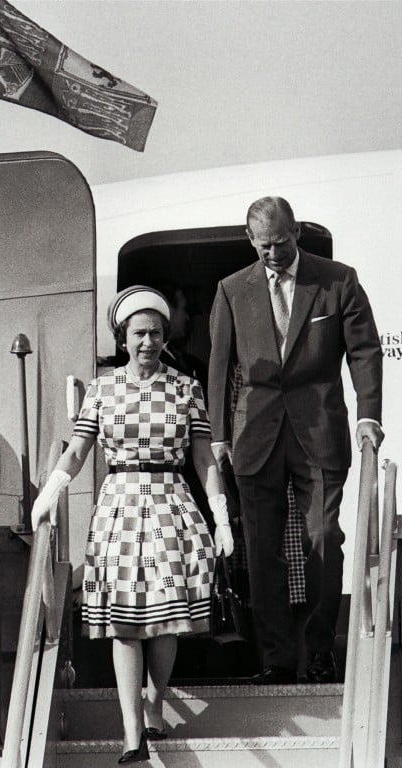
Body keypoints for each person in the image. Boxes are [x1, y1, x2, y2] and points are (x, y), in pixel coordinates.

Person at [32, 286, 234, 763]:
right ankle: (131, 734)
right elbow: (78, 450)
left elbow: (204, 457)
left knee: (164, 624)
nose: (149, 342)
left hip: (170, 504)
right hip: (119, 507)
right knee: (124, 626)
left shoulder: (185, 388)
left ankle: (155, 702)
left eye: (156, 333)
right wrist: (50, 492)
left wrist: (221, 517)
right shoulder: (101, 389)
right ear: (123, 338)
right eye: (140, 333)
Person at [208, 196, 384, 685]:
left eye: (281, 242)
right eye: (263, 245)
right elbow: (220, 365)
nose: (273, 253)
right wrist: (219, 436)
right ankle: (277, 659)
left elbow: (365, 351)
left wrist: (369, 416)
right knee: (262, 549)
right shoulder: (231, 289)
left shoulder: (337, 280)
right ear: (250, 240)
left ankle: (321, 650)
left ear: (297, 232)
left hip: (319, 430)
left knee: (323, 538)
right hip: (254, 435)